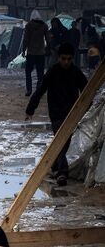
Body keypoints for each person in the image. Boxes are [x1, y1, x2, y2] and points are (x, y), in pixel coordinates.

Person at [25, 43, 88, 186]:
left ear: (72, 59)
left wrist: (88, 111)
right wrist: (30, 109)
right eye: (63, 59)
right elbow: (40, 90)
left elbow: (87, 91)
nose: (66, 62)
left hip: (72, 112)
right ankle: (62, 172)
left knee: (64, 142)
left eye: (69, 59)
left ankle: (54, 164)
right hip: (56, 113)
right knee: (61, 140)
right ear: (59, 58)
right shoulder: (53, 71)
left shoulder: (76, 72)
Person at [22, 17, 50, 96]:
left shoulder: (28, 26)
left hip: (31, 52)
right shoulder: (44, 26)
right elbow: (48, 39)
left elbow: (26, 39)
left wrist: (23, 50)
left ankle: (29, 90)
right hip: (41, 53)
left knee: (28, 72)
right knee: (40, 73)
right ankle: (39, 88)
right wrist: (48, 48)